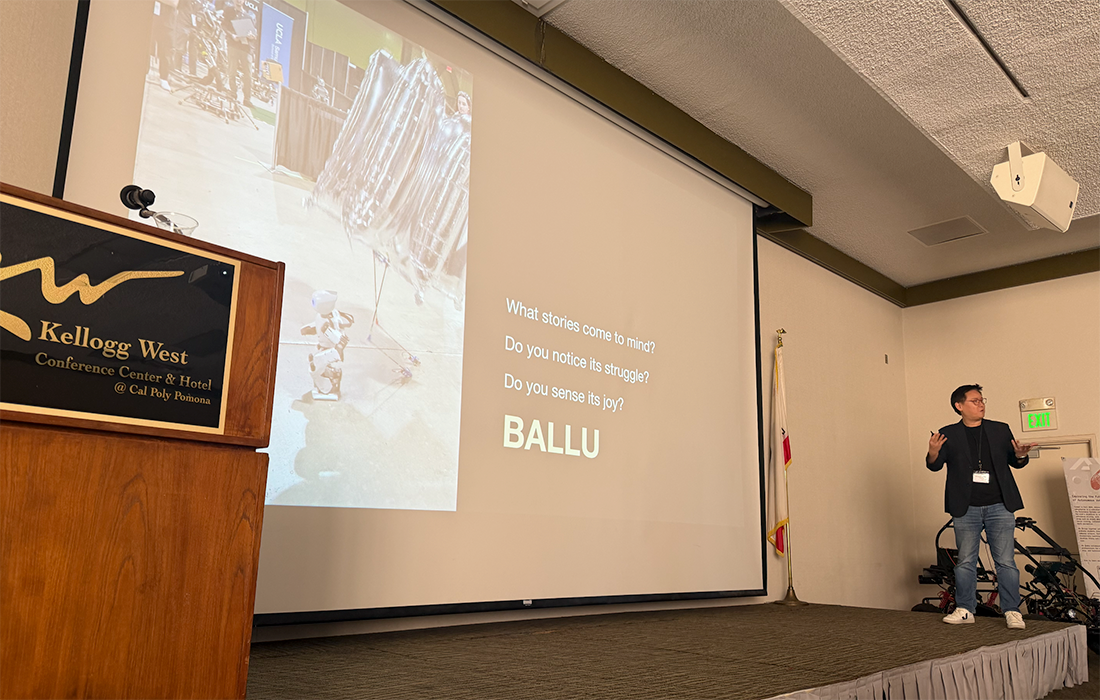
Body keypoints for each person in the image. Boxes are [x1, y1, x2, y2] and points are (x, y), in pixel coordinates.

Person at [927, 384, 1036, 629]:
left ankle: (1012, 611)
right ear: (959, 406)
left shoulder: (1000, 429)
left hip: (1000, 504)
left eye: (982, 400)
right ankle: (965, 609)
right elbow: (934, 466)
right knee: (966, 561)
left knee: (1006, 561)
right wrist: (933, 452)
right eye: (975, 401)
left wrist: (1019, 454)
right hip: (966, 507)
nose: (981, 404)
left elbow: (1016, 462)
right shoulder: (948, 434)